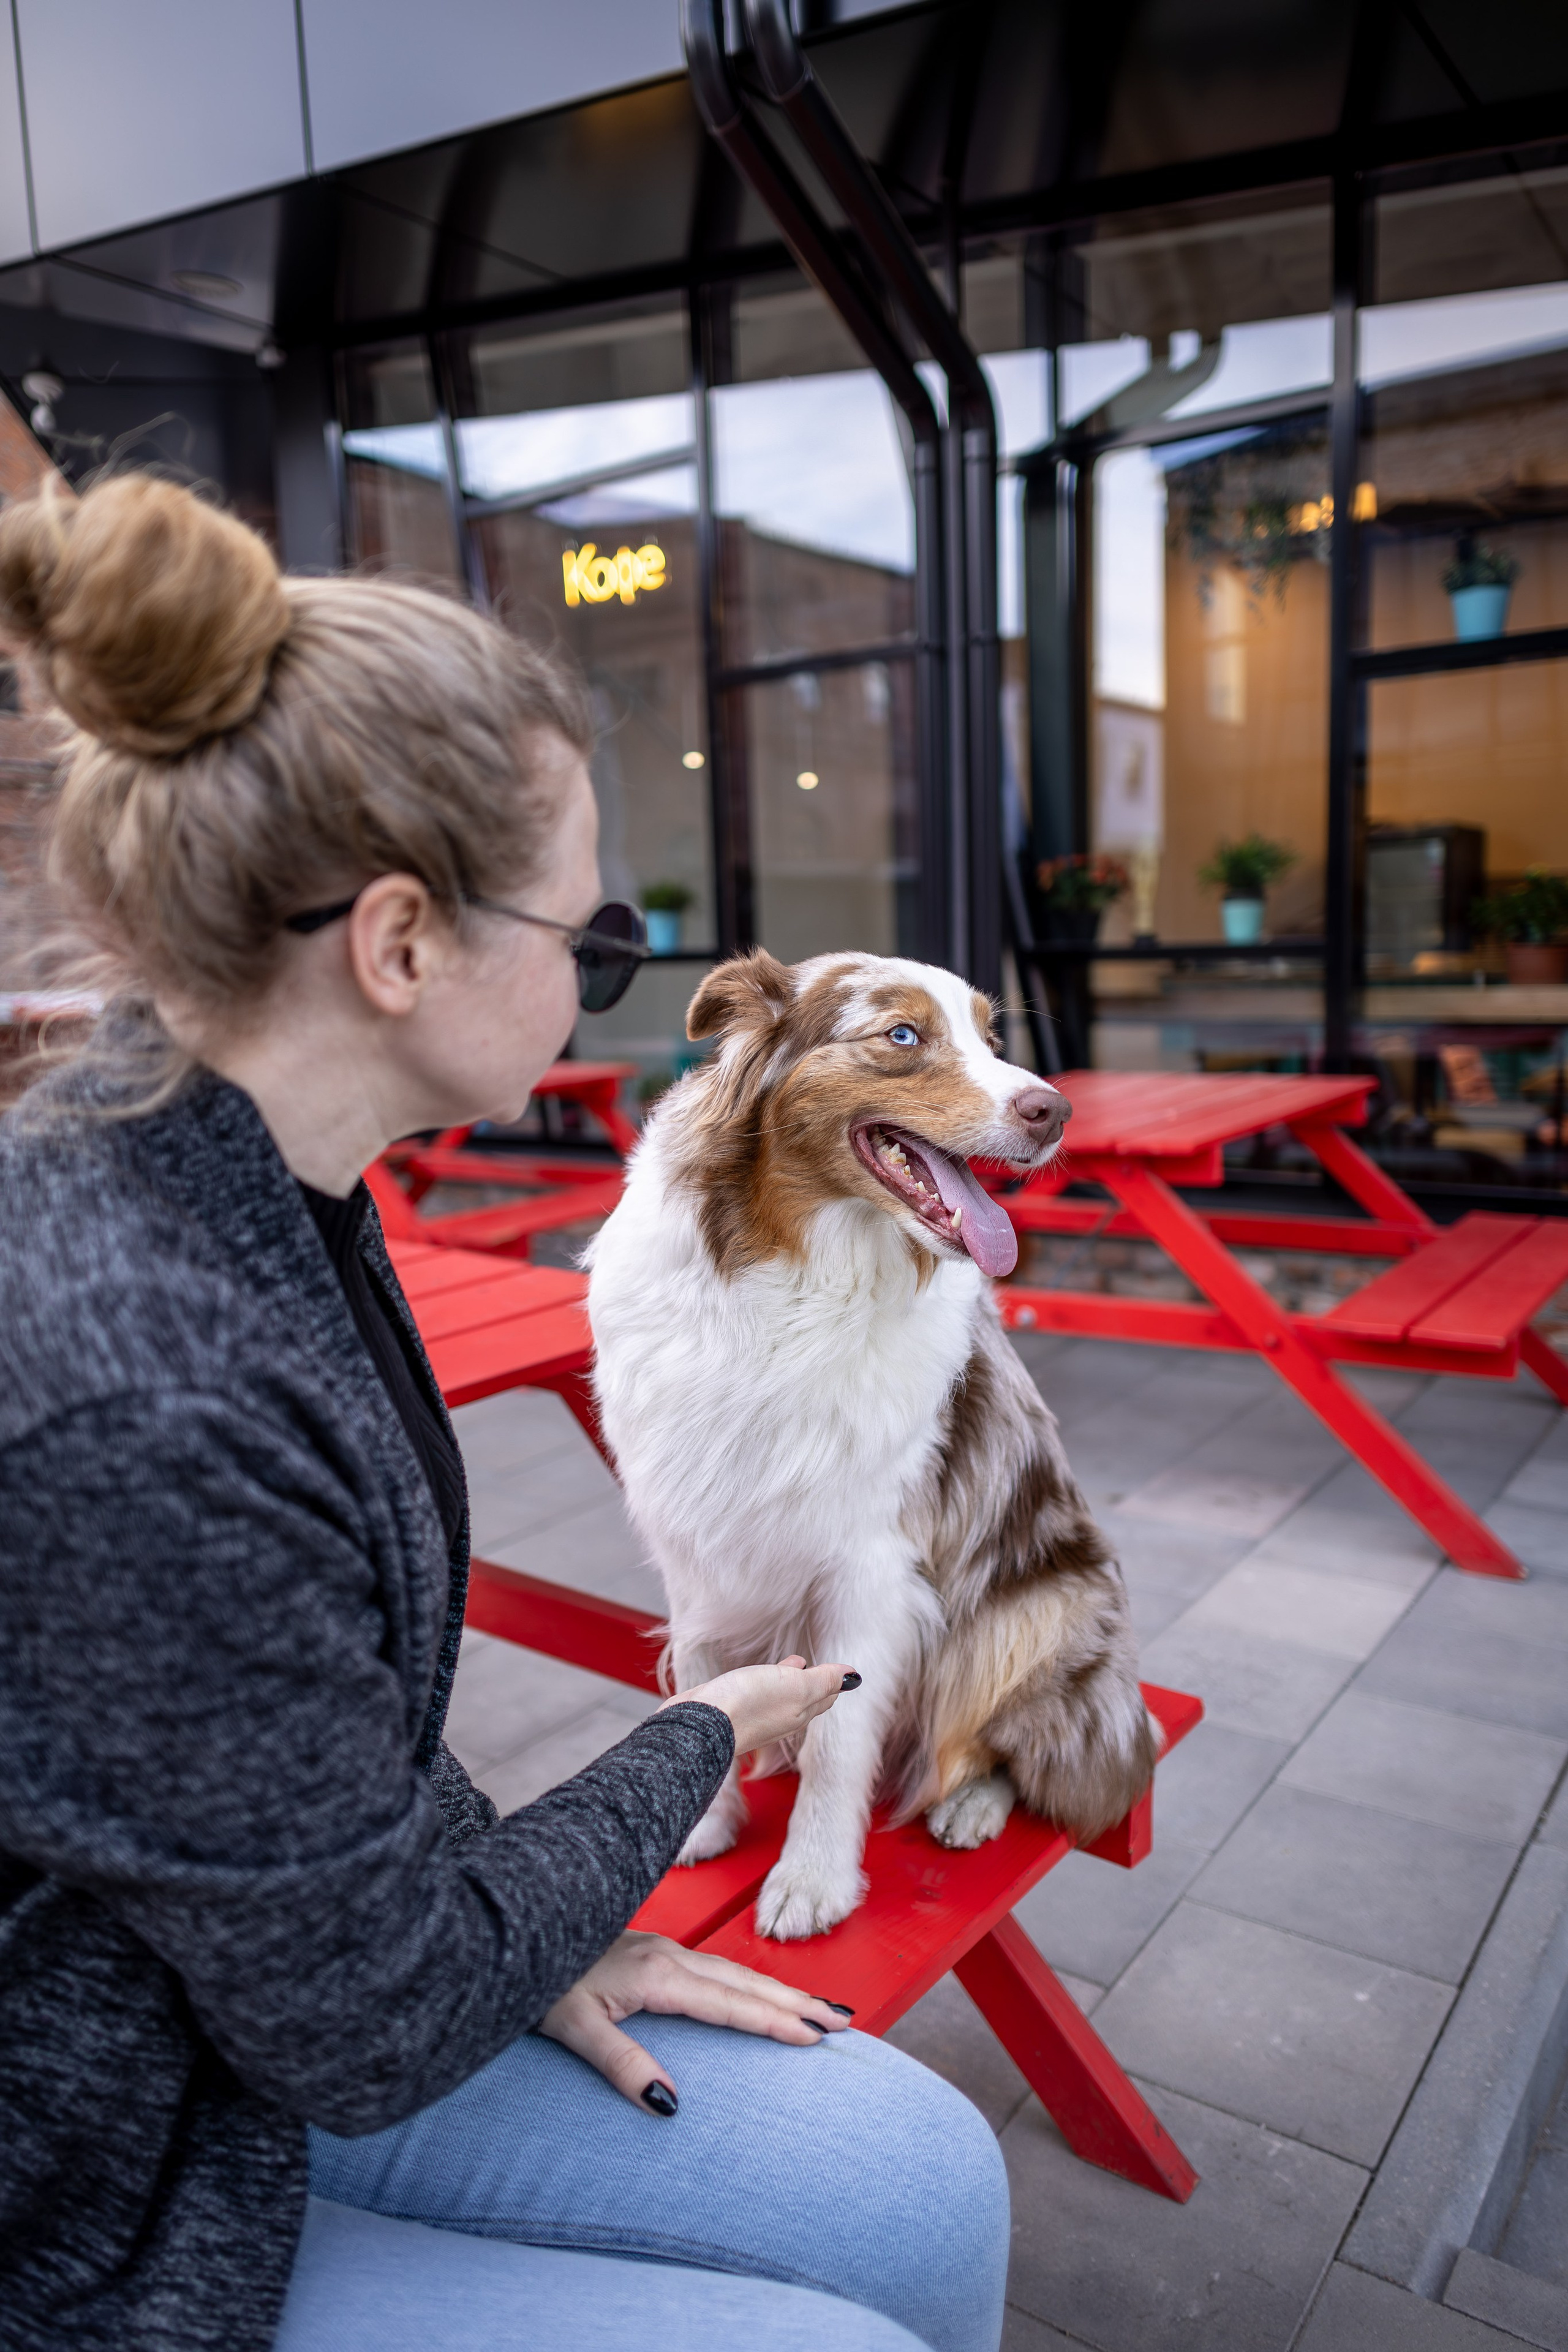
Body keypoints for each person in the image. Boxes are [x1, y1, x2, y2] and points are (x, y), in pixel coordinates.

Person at [0, 475, 1010, 2352]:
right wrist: (695, 1740)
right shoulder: (140, 1386)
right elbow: (367, 2021)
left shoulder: (258, 1170)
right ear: (398, 946)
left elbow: (309, 1736)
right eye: (594, 937)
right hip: (98, 2188)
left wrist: (530, 1925)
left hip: (251, 1991)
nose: (606, 982)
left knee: (926, 2183)